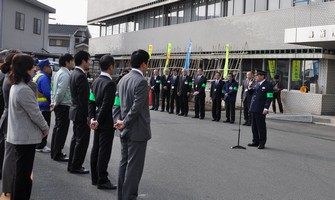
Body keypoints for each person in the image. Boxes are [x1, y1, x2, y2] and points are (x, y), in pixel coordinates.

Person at [7, 54, 49, 200]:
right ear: (26, 69)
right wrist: (45, 128)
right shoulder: (24, 89)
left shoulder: (15, 86)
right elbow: (35, 113)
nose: (34, 69)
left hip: (19, 136)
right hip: (25, 138)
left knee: (20, 173)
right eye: (32, 66)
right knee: (23, 175)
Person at [113, 49, 151, 200]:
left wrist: (118, 120)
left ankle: (122, 195)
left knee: (124, 164)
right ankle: (129, 197)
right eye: (147, 63)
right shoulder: (141, 81)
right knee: (134, 168)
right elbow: (137, 107)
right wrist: (125, 122)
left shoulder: (123, 79)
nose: (148, 66)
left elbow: (116, 103)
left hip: (123, 129)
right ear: (143, 64)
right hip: (136, 130)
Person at [88, 55, 117, 190]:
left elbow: (91, 101)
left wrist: (93, 118)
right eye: (114, 66)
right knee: (104, 151)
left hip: (97, 119)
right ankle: (102, 179)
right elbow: (107, 104)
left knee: (96, 148)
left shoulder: (95, 81)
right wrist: (99, 120)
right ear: (110, 66)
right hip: (105, 121)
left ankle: (95, 177)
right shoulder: (110, 84)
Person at [0, 50, 21, 196]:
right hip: (9, 119)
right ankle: (8, 187)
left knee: (9, 155)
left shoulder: (8, 77)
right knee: (10, 155)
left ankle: (8, 186)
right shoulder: (9, 79)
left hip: (7, 117)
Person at [68, 50, 91, 174]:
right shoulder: (81, 75)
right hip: (81, 113)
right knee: (81, 141)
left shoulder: (73, 73)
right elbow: (84, 99)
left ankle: (72, 164)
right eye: (88, 60)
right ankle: (76, 166)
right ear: (83, 61)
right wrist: (88, 115)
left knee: (75, 140)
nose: (89, 63)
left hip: (74, 110)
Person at [50, 54, 74, 161]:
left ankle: (54, 151)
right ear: (67, 62)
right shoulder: (65, 74)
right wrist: (56, 102)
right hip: (63, 104)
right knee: (62, 130)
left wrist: (53, 102)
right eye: (71, 61)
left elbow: (54, 89)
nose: (73, 63)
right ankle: (57, 153)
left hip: (58, 104)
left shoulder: (58, 73)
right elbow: (61, 91)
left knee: (57, 128)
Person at [248, 69, 273, 149]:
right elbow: (251, 94)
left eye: (257, 75)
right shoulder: (256, 84)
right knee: (254, 126)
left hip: (261, 108)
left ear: (262, 76)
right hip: (253, 107)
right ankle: (255, 141)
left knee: (260, 126)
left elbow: (269, 97)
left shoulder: (268, 85)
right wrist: (249, 87)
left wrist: (266, 108)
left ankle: (262, 142)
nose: (256, 77)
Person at [32, 59, 52, 153]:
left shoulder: (36, 75)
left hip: (37, 104)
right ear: (45, 67)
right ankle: (41, 145)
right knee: (44, 126)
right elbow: (48, 93)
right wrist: (52, 102)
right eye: (49, 67)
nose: (50, 69)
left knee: (38, 126)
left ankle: (37, 144)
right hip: (44, 105)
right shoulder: (44, 78)